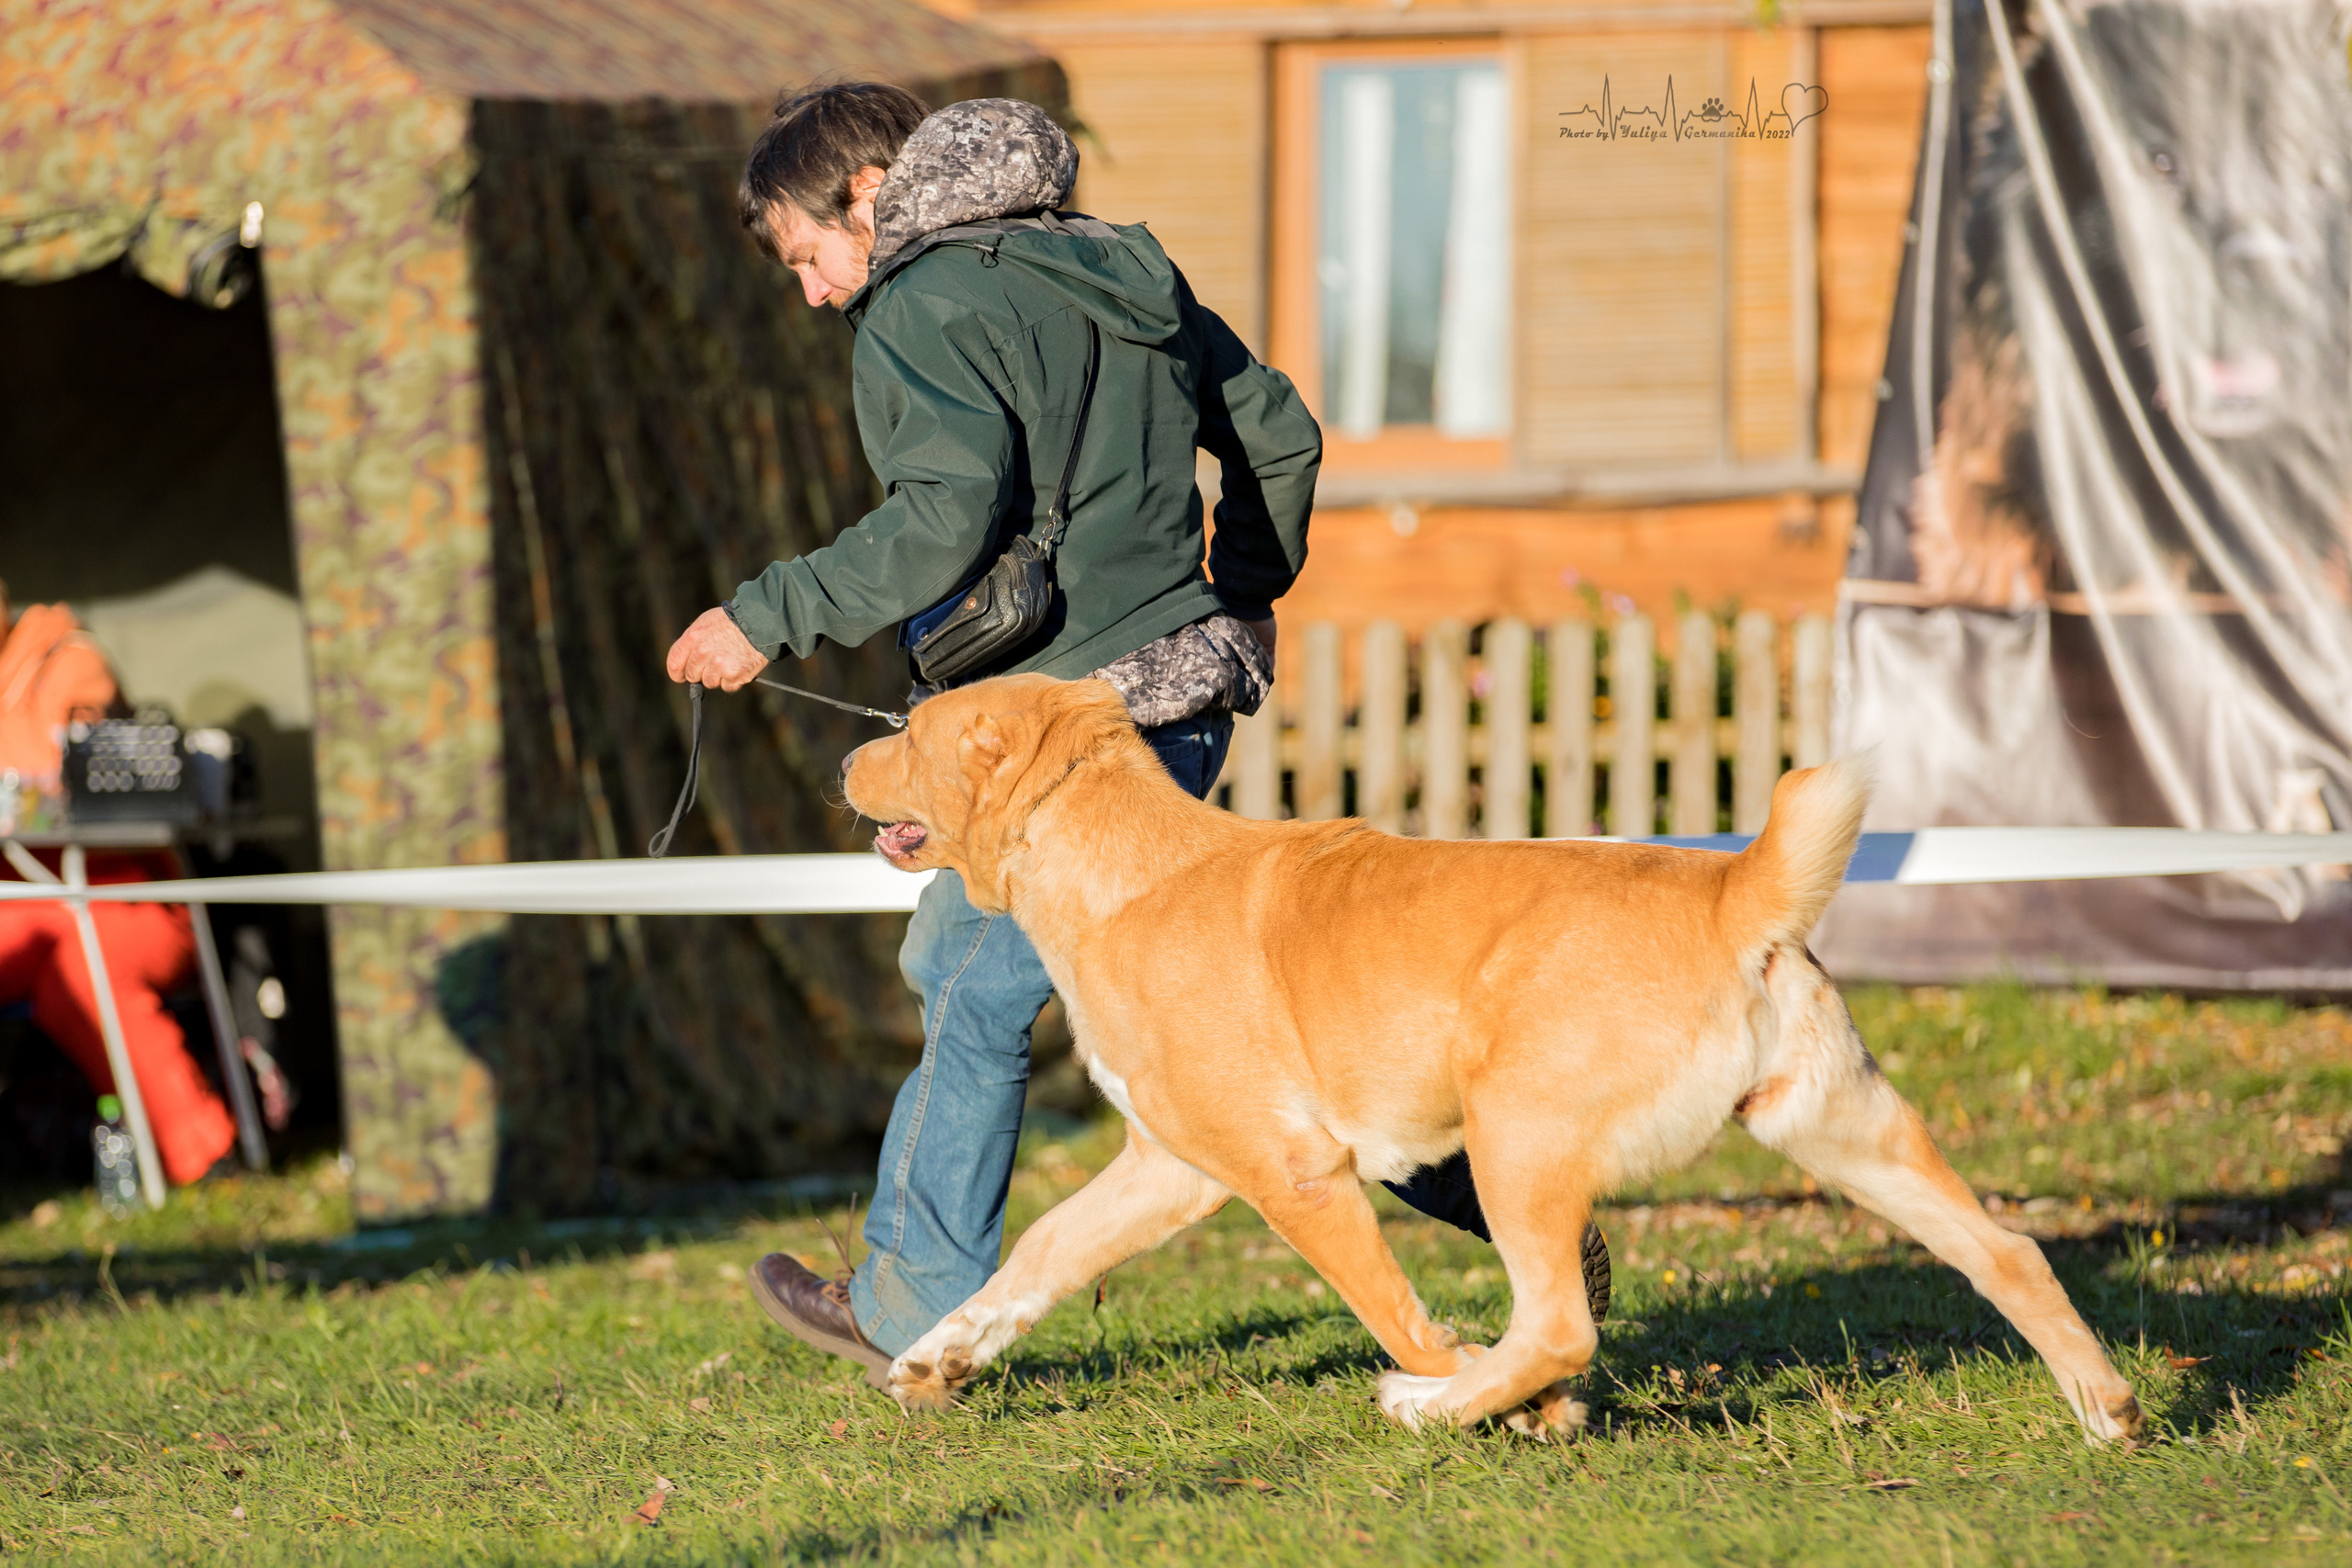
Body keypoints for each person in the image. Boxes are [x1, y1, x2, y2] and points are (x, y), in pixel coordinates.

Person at [667, 85, 1497, 1388]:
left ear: (870, 194)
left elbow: (941, 521)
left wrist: (768, 612)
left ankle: (908, 1297)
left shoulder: (924, 306)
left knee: (978, 989)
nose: (818, 293)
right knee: (1129, 985)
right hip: (1178, 694)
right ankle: (1475, 1175)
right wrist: (1234, 590)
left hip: (1049, 741)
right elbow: (1278, 430)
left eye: (808, 256)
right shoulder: (1124, 265)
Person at [0, 580, 238, 1185]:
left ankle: (202, 1150)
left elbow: (63, 770)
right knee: (58, 965)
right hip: (25, 905)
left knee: (82, 971)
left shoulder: (69, 660)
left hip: (123, 894)